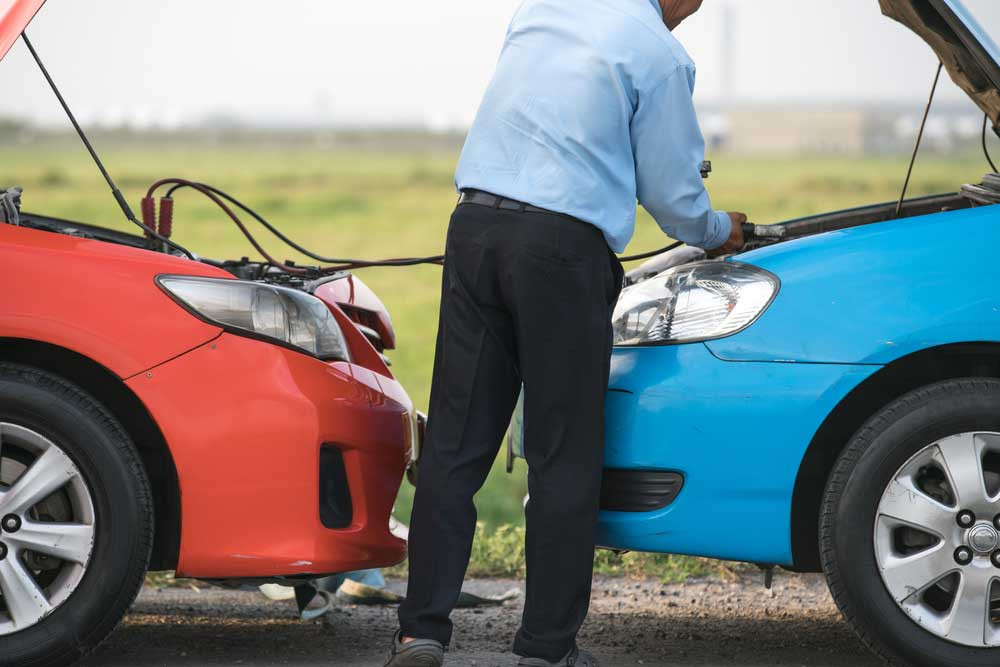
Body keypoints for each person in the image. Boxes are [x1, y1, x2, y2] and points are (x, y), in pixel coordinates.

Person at [386, 1, 745, 665]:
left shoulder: (544, 9)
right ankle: (546, 647)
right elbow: (672, 193)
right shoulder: (659, 54)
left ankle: (422, 631)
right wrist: (720, 229)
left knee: (455, 447)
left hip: (475, 230)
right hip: (561, 250)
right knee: (564, 452)